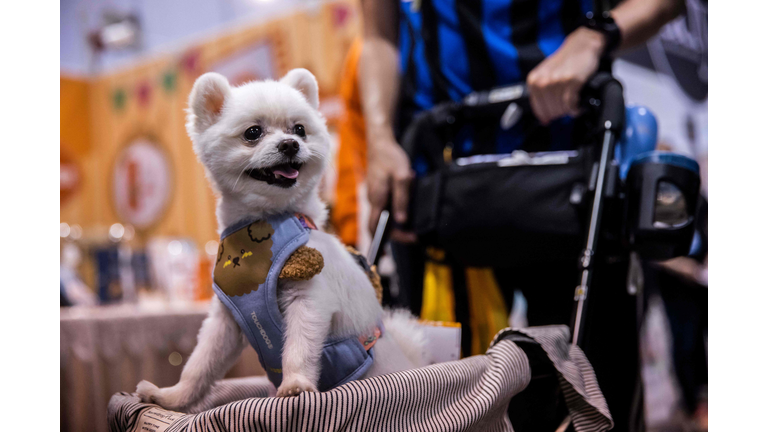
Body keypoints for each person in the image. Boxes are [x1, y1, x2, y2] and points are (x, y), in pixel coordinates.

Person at [357, 0, 686, 431]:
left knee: (596, 390)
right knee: (440, 397)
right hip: (438, 178)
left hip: (576, 177)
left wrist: (593, 36)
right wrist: (380, 138)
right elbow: (378, 35)